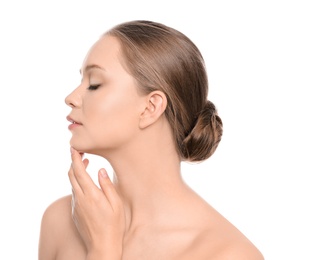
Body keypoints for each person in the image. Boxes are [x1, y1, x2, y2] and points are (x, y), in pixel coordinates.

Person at [38, 20, 264, 259]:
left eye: (94, 84)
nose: (71, 97)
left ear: (150, 108)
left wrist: (103, 249)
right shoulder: (59, 222)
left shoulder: (229, 254)